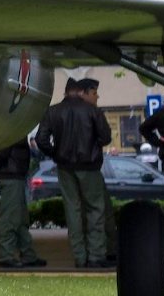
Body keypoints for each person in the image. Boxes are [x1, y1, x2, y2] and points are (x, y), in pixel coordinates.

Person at [34, 77, 112, 270]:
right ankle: (96, 255)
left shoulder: (53, 111)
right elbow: (106, 137)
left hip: (65, 167)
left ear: (66, 92)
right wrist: (93, 146)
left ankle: (79, 257)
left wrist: (56, 153)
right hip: (90, 166)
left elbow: (41, 139)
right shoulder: (92, 111)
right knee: (95, 209)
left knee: (73, 210)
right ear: (80, 92)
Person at [0, 137, 44, 269]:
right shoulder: (12, 128)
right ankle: (6, 256)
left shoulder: (11, 126)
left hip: (14, 176)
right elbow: (3, 149)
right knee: (10, 219)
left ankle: (28, 255)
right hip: (11, 176)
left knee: (19, 218)